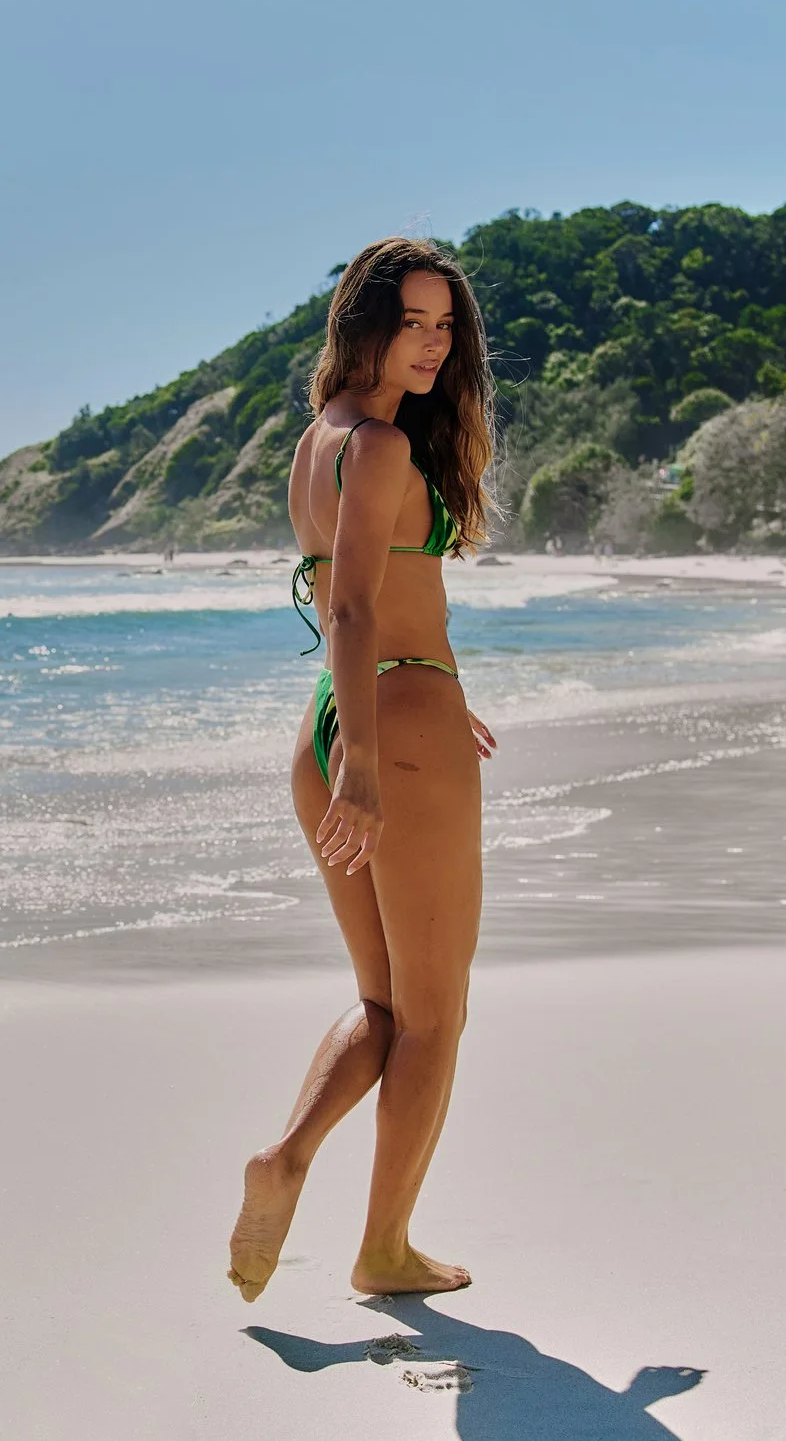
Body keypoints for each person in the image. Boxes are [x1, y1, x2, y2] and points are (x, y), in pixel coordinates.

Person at [228, 237, 499, 1302]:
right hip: (393, 727)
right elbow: (351, 607)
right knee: (436, 1013)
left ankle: (284, 1156)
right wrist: (379, 767)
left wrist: (358, 747)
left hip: (329, 724)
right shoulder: (381, 443)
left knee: (382, 1003)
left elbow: (365, 598)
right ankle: (383, 1247)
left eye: (446, 325)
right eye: (414, 323)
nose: (433, 344)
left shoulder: (319, 440)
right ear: (364, 322)